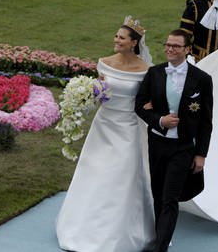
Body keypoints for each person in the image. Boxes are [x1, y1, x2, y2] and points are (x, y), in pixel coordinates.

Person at [55, 16, 155, 252]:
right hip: (104, 125)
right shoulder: (105, 63)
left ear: (133, 42)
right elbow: (102, 96)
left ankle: (119, 233)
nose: (116, 40)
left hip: (128, 127)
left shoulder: (146, 69)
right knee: (95, 171)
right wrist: (84, 97)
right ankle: (83, 227)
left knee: (122, 175)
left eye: (121, 38)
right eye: (116, 36)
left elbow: (147, 99)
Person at [135, 29, 213, 251]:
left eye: (176, 46)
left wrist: (201, 154)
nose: (170, 49)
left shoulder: (202, 80)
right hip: (158, 144)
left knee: (170, 198)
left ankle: (160, 248)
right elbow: (139, 106)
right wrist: (159, 120)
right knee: (158, 195)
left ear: (187, 49)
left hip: (183, 147)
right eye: (168, 44)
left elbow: (206, 121)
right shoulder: (154, 73)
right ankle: (162, 236)